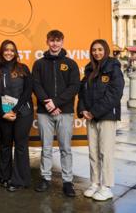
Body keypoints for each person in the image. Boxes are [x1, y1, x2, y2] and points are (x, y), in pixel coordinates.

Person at [32, 30, 80, 197]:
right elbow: (36, 85)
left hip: (64, 112)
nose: (54, 44)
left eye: (57, 40)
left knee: (65, 148)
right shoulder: (39, 64)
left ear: (62, 42)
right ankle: (45, 178)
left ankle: (67, 181)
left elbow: (74, 87)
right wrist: (49, 104)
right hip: (45, 113)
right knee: (46, 148)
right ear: (47, 42)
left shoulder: (71, 63)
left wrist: (57, 103)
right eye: (52, 40)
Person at [78, 39, 124, 201]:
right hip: (90, 117)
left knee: (106, 152)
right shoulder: (89, 69)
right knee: (93, 152)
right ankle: (95, 183)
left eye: (99, 49)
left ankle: (107, 186)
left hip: (106, 117)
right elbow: (82, 91)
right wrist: (83, 110)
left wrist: (94, 112)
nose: (96, 52)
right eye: (94, 50)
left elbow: (115, 93)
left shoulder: (113, 68)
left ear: (105, 50)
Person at [0, 40, 34, 192]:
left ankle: (20, 180)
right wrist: (3, 112)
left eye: (12, 50)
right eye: (6, 50)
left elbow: (28, 90)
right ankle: (4, 177)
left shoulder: (23, 68)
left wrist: (15, 110)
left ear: (15, 52)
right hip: (4, 114)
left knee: (20, 145)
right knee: (5, 145)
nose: (9, 52)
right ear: (1, 52)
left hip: (23, 113)